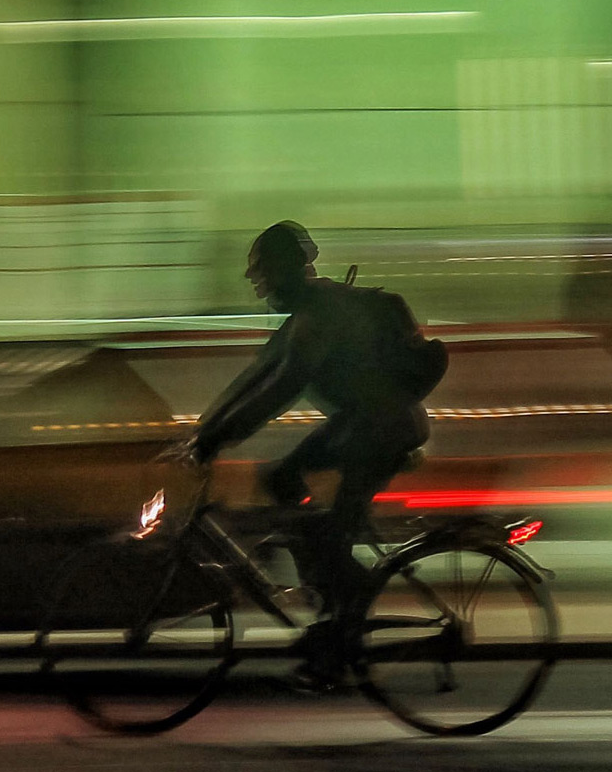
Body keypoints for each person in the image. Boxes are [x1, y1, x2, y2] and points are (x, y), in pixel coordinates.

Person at [183, 221, 440, 683]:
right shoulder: (305, 316)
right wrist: (205, 429)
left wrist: (218, 438)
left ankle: (345, 620)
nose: (260, 288)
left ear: (288, 269)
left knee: (329, 536)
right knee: (281, 480)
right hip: (362, 425)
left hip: (382, 430)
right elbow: (256, 376)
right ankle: (330, 599)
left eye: (264, 276)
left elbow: (282, 387)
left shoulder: (321, 315)